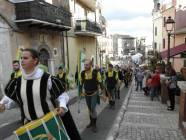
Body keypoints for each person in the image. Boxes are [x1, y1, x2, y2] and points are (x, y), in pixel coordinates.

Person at [0, 48, 81, 140]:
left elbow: (62, 95)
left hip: (50, 123)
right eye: (21, 58)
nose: (22, 60)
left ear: (35, 61)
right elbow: (13, 99)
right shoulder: (17, 82)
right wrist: (3, 105)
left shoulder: (48, 79)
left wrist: (62, 106)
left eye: (25, 58)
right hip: (30, 126)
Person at [80, 59, 103, 133]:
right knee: (89, 109)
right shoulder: (82, 73)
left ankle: (94, 125)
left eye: (86, 65)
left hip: (94, 93)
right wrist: (80, 91)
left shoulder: (96, 72)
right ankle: (91, 122)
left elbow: (100, 81)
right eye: (84, 65)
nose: (85, 66)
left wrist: (102, 91)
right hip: (87, 93)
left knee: (93, 108)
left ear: (90, 65)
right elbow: (81, 83)